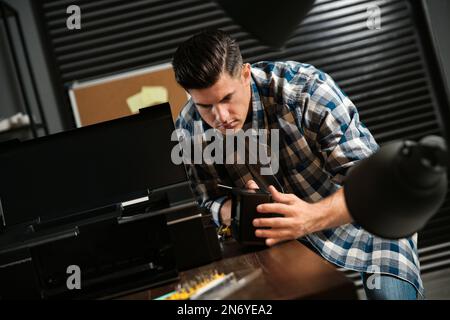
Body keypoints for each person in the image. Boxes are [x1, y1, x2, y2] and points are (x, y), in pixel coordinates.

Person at [171, 29, 422, 300]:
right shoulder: (190, 127)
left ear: (245, 74)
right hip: (282, 242)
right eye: (205, 106)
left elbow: (374, 188)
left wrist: (310, 218)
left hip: (364, 225)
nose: (220, 116)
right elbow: (205, 204)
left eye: (226, 98)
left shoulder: (306, 91)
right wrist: (237, 210)